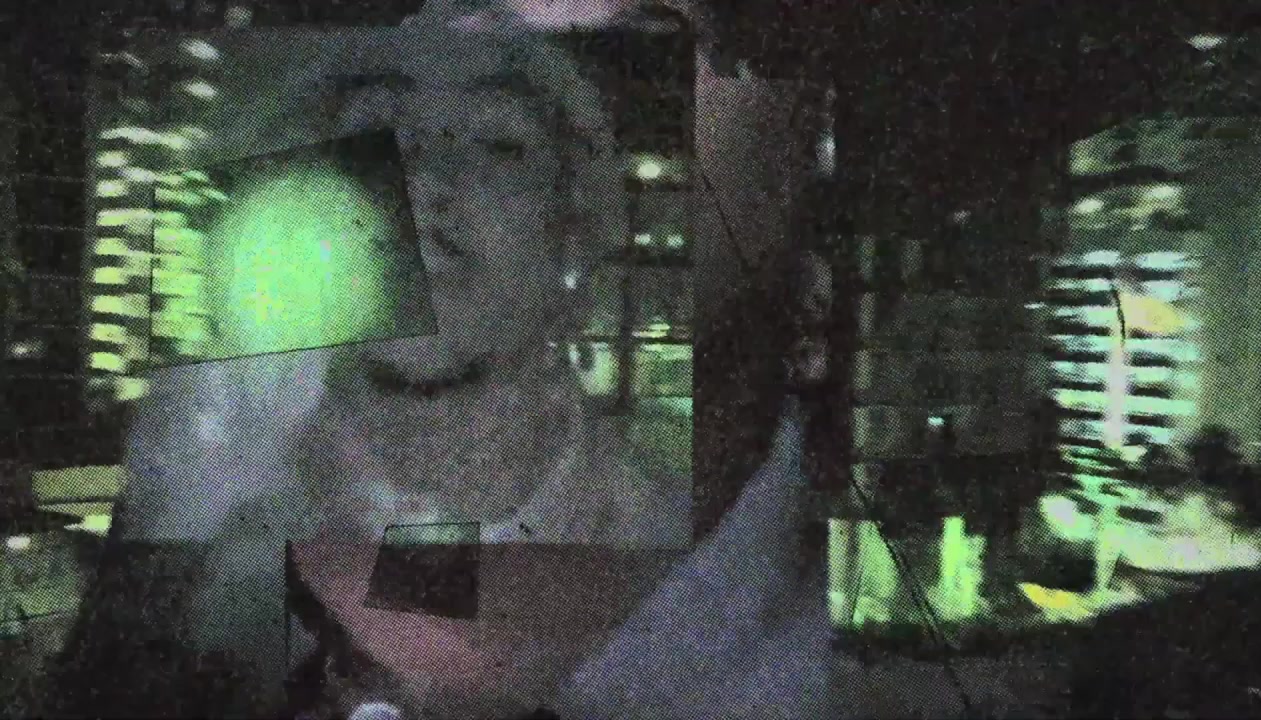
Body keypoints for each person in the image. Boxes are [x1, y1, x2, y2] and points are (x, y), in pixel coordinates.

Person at [45, 6, 837, 719]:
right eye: (382, 133)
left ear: (574, 235)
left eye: (499, 143)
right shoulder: (204, 514)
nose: (426, 180)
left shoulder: (677, 544)